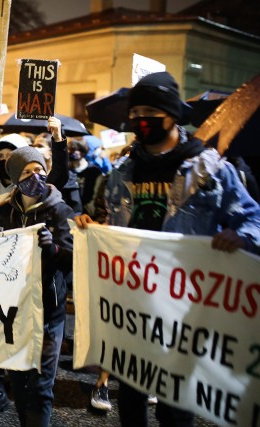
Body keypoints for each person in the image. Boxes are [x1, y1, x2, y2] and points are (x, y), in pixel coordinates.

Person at [75, 71, 260, 427]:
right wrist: (94, 232)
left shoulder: (207, 170)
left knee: (176, 408)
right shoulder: (123, 171)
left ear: (172, 114)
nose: (141, 119)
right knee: (130, 399)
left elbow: (254, 220)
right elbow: (116, 232)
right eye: (137, 111)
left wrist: (241, 237)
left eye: (151, 111)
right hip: (133, 309)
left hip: (185, 312)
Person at [0, 145, 74, 426]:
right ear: (14, 177)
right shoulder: (1, 212)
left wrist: (54, 251)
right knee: (20, 384)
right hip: (14, 311)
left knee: (40, 388)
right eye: (26, 171)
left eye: (39, 169)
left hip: (48, 311)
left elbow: (74, 259)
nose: (34, 175)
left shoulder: (60, 210)